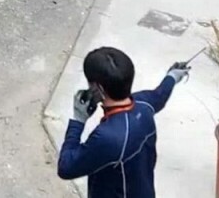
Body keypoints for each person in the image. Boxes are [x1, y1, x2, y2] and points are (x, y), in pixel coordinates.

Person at [57, 46, 189, 198]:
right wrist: (172, 76)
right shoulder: (143, 104)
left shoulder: (108, 137)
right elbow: (160, 95)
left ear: (98, 88)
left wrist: (78, 121)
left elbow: (66, 167)